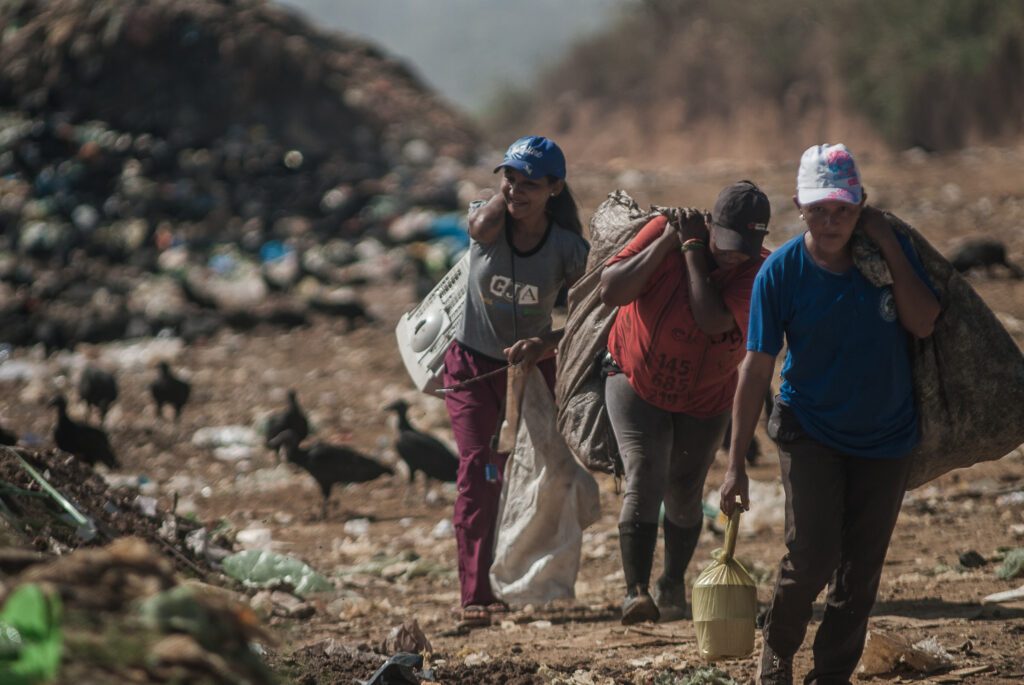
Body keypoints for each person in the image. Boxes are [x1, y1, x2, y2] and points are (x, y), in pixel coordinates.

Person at [719, 144, 940, 684]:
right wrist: (734, 464)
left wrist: (887, 242)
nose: (832, 220)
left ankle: (831, 675)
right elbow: (755, 368)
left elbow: (925, 322)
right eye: (820, 208)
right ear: (799, 205)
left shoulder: (883, 260)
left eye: (843, 208)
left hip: (888, 435)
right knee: (813, 554)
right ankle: (779, 645)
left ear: (861, 205)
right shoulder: (781, 271)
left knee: (860, 573)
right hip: (809, 428)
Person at [600, 180, 771, 624]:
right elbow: (612, 291)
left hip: (707, 398)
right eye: (725, 243)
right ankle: (635, 592)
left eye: (743, 247)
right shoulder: (665, 231)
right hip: (636, 380)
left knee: (684, 491)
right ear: (710, 222)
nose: (732, 255)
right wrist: (667, 243)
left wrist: (695, 251)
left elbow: (712, 320)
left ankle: (671, 582)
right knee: (644, 471)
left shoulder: (757, 270)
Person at [442, 135, 590, 628]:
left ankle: (527, 578)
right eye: (509, 178)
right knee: (479, 471)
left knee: (547, 474)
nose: (516, 190)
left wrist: (544, 345)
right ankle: (476, 594)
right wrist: (504, 200)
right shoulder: (487, 223)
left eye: (530, 183)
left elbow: (591, 316)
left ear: (555, 188)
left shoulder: (568, 248)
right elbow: (481, 219)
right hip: (471, 368)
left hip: (532, 370)